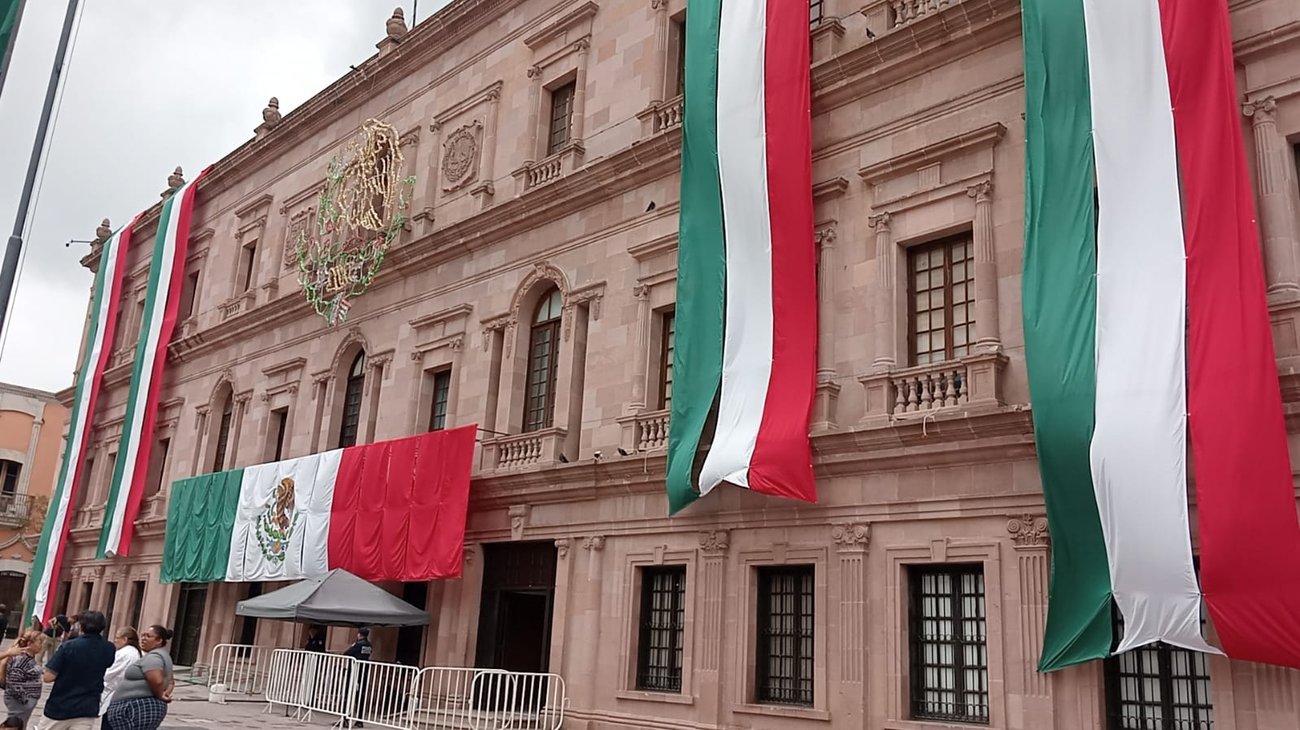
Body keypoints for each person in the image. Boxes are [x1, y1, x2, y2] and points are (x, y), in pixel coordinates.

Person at [34, 610, 114, 730]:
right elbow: (108, 664)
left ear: (81, 626)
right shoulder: (109, 648)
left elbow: (48, 677)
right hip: (88, 707)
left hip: (61, 705)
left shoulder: (69, 646)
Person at [102, 626, 173, 730]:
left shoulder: (154, 657)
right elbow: (171, 681)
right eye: (143, 635)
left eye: (148, 636)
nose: (143, 639)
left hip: (137, 708)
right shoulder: (158, 655)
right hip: (135, 707)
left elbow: (157, 681)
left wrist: (160, 695)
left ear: (159, 640)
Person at [97, 629, 140, 728]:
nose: (115, 640)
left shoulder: (125, 653)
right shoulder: (133, 652)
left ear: (125, 639)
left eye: (117, 637)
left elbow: (108, 673)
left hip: (115, 696)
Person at [1, 632, 44, 724]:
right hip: (20, 701)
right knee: (15, 725)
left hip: (25, 701)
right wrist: (24, 699)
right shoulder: (21, 660)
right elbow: (13, 681)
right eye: (39, 642)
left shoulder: (29, 658)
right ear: (30, 644)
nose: (42, 645)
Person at [343, 629, 372, 727]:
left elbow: (346, 653)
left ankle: (345, 718)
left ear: (359, 634)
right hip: (364, 672)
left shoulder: (358, 644)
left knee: (349, 694)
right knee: (361, 696)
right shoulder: (369, 645)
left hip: (354, 673)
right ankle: (359, 719)